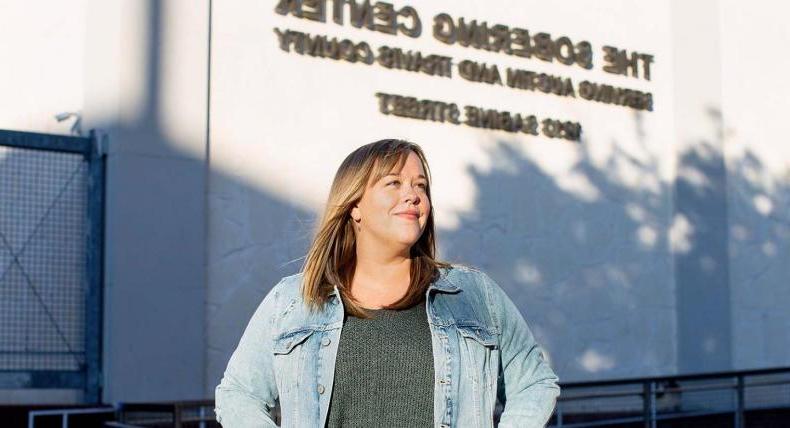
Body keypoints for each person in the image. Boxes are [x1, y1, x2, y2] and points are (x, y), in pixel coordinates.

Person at [214, 139, 560, 427]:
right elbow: (238, 395)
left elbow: (534, 382)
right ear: (355, 206)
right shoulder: (293, 300)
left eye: (420, 185)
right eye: (393, 183)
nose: (412, 195)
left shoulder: (473, 295)